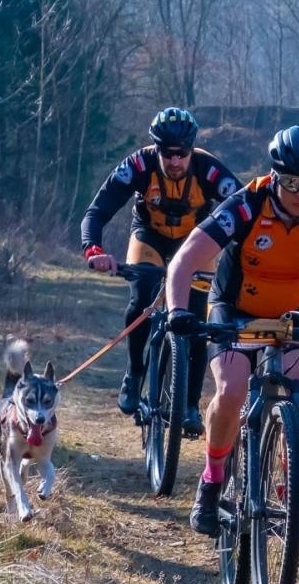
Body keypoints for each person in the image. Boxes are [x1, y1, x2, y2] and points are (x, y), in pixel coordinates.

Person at [165, 125, 299, 537]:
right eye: (291, 182)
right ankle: (212, 482)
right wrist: (178, 311)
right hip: (232, 310)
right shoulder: (245, 205)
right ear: (275, 176)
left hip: (290, 314)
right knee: (231, 390)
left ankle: (292, 493)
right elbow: (184, 260)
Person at [79, 106, 241, 430]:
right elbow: (97, 211)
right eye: (167, 154)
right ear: (156, 149)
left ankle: (190, 404)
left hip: (195, 242)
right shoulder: (138, 165)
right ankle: (134, 372)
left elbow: (243, 212)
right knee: (140, 302)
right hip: (149, 236)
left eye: (182, 154)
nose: (175, 161)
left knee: (195, 317)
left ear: (191, 149)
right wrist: (94, 250)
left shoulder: (209, 170)